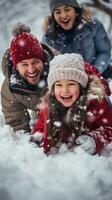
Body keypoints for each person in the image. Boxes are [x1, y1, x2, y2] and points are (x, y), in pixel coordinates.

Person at [31, 53, 112, 156]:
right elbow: (41, 127)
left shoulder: (96, 102)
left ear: (81, 86)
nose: (65, 90)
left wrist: (95, 140)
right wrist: (40, 138)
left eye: (71, 84)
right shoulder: (49, 105)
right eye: (59, 85)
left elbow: (109, 127)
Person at [1, 22, 54, 133]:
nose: (31, 70)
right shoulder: (11, 88)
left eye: (35, 62)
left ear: (43, 60)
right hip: (38, 108)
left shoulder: (59, 72)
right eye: (24, 64)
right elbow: (16, 121)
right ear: (16, 67)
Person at [42, 0, 111, 79]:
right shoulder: (48, 37)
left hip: (97, 76)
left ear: (75, 10)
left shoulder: (93, 25)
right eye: (58, 12)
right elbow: (47, 63)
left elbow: (104, 52)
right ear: (53, 16)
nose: (63, 15)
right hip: (68, 82)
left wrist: (95, 70)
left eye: (67, 9)